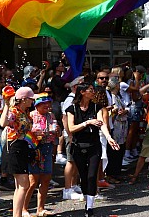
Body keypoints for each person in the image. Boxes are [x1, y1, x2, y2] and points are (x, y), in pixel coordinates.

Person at [66, 83, 119, 217]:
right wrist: (87, 122)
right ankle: (86, 197)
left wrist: (109, 138)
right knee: (83, 176)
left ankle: (89, 207)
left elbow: (102, 125)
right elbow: (71, 128)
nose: (93, 92)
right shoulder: (72, 109)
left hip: (94, 146)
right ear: (82, 92)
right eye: (90, 90)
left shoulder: (97, 107)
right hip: (78, 146)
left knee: (91, 176)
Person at [0, 87, 36, 217]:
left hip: (22, 147)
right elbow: (3, 123)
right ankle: (17, 215)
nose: (32, 101)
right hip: (14, 147)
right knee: (23, 184)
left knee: (20, 185)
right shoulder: (14, 111)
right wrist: (6, 105)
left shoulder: (24, 112)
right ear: (24, 99)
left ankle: (17, 214)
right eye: (31, 99)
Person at [24, 94, 59, 217]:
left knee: (46, 180)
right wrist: (36, 134)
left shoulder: (51, 116)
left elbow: (57, 134)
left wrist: (57, 131)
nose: (47, 105)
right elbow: (26, 132)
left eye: (48, 103)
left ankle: (40, 209)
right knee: (32, 181)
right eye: (44, 103)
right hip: (35, 149)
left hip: (48, 148)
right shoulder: (31, 115)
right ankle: (24, 208)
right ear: (37, 105)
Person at [61, 75, 84, 200]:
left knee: (75, 161)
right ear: (75, 87)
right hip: (71, 135)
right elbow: (64, 118)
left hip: (76, 134)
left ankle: (74, 185)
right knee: (70, 161)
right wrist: (69, 135)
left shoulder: (76, 99)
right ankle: (67, 189)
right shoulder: (69, 100)